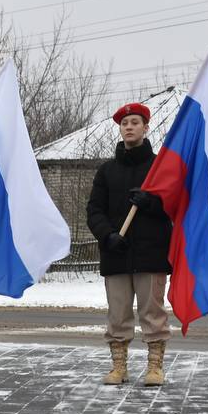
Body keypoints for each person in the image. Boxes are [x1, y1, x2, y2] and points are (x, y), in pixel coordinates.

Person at [86, 102, 172, 386]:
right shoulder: (107, 171)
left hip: (151, 253)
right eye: (125, 123)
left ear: (146, 128)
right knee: (118, 315)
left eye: (135, 122)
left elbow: (175, 204)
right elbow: (94, 210)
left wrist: (152, 203)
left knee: (153, 313)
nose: (129, 127)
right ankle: (119, 367)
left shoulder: (159, 167)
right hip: (116, 255)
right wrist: (107, 235)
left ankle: (155, 367)